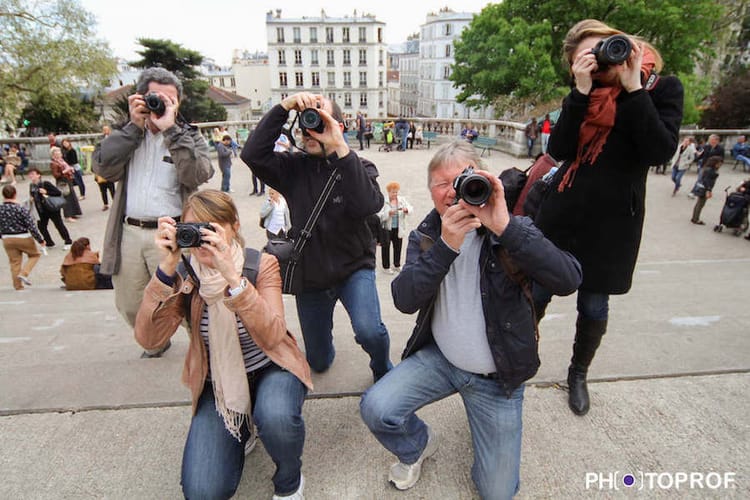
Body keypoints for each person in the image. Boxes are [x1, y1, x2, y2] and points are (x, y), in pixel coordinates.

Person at [360, 141, 582, 498]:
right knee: (376, 407)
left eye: (461, 179)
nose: (451, 192)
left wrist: (505, 226)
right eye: (440, 183)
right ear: (430, 190)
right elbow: (404, 299)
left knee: (497, 492)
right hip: (442, 360)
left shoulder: (511, 228)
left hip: (498, 378)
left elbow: (569, 279)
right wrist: (447, 245)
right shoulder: (428, 235)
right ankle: (418, 445)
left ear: (483, 180)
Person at [532, 19, 683, 416]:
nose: (604, 57)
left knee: (594, 307)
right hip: (563, 215)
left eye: (606, 45)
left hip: (614, 224)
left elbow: (658, 150)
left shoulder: (660, 88)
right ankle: (517, 358)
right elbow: (561, 149)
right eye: (591, 54)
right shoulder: (585, 93)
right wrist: (580, 92)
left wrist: (633, 89)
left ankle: (578, 374)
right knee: (536, 295)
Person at [135, 189, 311, 500]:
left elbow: (273, 334)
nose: (201, 240)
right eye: (193, 230)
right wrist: (164, 269)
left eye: (210, 228)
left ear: (234, 226)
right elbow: (150, 339)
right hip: (219, 381)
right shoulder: (183, 275)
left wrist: (234, 279)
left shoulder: (261, 264)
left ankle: (289, 480)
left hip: (272, 366)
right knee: (203, 492)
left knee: (277, 417)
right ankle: (241, 424)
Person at [241, 91, 393, 382]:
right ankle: (325, 349)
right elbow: (252, 154)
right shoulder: (294, 168)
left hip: (354, 268)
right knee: (319, 361)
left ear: (338, 126)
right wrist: (284, 108)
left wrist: (338, 147)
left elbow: (368, 204)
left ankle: (382, 365)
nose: (311, 130)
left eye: (320, 121)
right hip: (311, 276)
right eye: (306, 123)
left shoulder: (358, 166)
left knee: (369, 330)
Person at [92, 66, 214, 359]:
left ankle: (202, 349)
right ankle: (155, 340)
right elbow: (102, 168)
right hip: (130, 232)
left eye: (169, 99)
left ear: (178, 104)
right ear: (140, 98)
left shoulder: (188, 136)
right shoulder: (126, 134)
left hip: (172, 231)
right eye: (154, 98)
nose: (161, 104)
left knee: (186, 298)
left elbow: (196, 174)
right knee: (130, 302)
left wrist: (172, 131)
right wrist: (133, 127)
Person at [1, 184, 45, 290]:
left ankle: (18, 286)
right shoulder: (20, 209)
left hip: (7, 238)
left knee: (14, 262)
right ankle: (24, 273)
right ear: (15, 194)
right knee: (34, 255)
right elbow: (31, 225)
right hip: (23, 236)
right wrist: (40, 239)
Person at [27, 167, 73, 250]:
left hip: (51, 208)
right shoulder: (31, 186)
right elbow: (32, 195)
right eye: (30, 174)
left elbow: (57, 192)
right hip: (41, 210)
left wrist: (47, 192)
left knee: (58, 224)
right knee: (41, 226)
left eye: (33, 174)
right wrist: (31, 199)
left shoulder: (45, 183)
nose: (31, 176)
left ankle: (68, 241)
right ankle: (49, 242)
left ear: (38, 175)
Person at [378, 181, 413, 274]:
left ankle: (397, 265)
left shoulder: (401, 200)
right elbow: (379, 215)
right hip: (387, 228)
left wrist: (406, 210)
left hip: (398, 227)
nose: (395, 194)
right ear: (388, 192)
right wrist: (388, 214)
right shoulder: (384, 201)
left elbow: (410, 208)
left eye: (396, 192)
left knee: (398, 247)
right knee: (386, 247)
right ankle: (386, 267)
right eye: (393, 192)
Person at [49, 146, 82, 222]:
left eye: (60, 152)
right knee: (66, 198)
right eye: (58, 152)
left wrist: (70, 169)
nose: (60, 154)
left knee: (72, 197)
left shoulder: (61, 160)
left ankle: (74, 213)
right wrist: (65, 171)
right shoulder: (53, 163)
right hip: (62, 182)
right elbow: (55, 175)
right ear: (54, 154)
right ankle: (68, 215)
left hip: (68, 179)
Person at [691, 156, 722, 225]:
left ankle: (694, 217)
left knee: (699, 203)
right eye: (719, 163)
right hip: (705, 188)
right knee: (700, 204)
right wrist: (709, 190)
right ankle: (695, 219)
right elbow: (708, 181)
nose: (720, 165)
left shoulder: (707, 169)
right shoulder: (711, 171)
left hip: (702, 187)